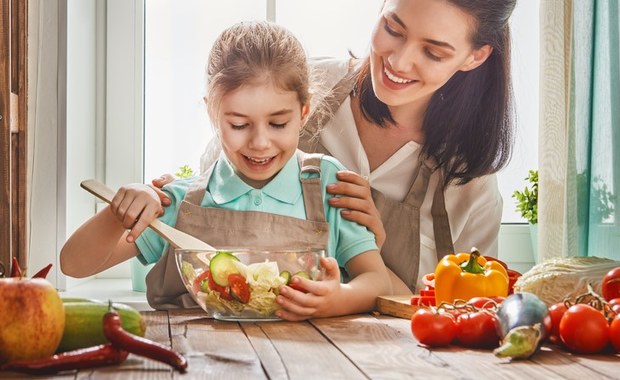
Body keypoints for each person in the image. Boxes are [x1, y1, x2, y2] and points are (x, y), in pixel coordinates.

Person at [152, 0, 518, 295]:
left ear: (475, 56)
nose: (399, 61)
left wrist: (372, 253)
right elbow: (213, 209)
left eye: (433, 52)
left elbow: (464, 317)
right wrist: (171, 200)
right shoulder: (297, 90)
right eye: (393, 29)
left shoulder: (469, 181)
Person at [60, 21, 392, 321]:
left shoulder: (326, 185)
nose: (260, 142)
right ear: (212, 114)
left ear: (304, 113)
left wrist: (339, 299)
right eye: (238, 124)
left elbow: (377, 280)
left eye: (278, 123)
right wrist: (120, 211)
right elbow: (74, 265)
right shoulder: (179, 201)